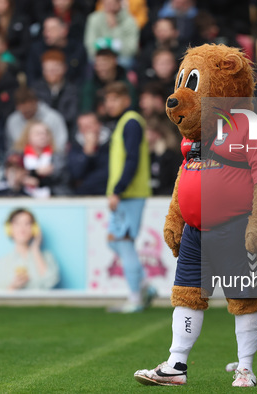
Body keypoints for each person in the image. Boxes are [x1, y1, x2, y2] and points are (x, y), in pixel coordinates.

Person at [104, 82, 154, 313]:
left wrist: (118, 190)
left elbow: (132, 159)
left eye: (114, 99)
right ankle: (145, 286)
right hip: (127, 193)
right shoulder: (126, 123)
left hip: (130, 194)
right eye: (107, 100)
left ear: (126, 99)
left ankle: (135, 297)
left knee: (123, 242)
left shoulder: (131, 122)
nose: (109, 104)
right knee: (114, 240)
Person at [0, 208, 60, 290]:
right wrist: (13, 287)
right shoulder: (1, 263)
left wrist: (35, 249)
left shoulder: (47, 257)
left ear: (34, 229)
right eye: (17, 223)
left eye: (27, 223)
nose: (22, 228)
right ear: (9, 229)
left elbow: (51, 282)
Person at [13, 120, 68, 197]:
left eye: (46, 134)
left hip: (52, 196)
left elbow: (61, 178)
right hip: (24, 196)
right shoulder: (17, 156)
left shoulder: (57, 156)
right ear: (28, 136)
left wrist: (35, 178)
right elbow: (12, 177)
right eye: (38, 134)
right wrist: (33, 173)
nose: (43, 137)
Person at [26, 16, 87, 84]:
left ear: (64, 31)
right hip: (41, 91)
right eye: (45, 29)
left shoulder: (77, 49)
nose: (46, 33)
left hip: (72, 91)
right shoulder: (36, 49)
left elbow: (83, 76)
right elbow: (31, 75)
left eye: (52, 29)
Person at [5, 87, 68, 153]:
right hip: (21, 160)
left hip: (50, 159)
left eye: (28, 111)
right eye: (23, 111)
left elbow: (61, 147)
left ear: (36, 102)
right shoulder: (12, 121)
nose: (26, 112)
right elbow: (11, 149)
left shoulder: (54, 118)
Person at [31, 49, 79, 135]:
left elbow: (71, 115)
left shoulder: (72, 89)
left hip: (66, 130)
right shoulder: (35, 89)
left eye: (55, 69)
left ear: (64, 68)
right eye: (47, 70)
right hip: (40, 131)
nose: (51, 73)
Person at [84, 0, 139, 67]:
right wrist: (109, 45)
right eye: (106, 3)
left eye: (112, 3)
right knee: (92, 60)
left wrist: (114, 28)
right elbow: (90, 45)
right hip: (99, 56)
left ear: (119, 3)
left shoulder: (130, 21)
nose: (109, 6)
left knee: (125, 61)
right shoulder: (94, 18)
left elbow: (131, 49)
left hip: (120, 58)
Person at [79, 48, 135, 114]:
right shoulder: (90, 85)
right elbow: (86, 110)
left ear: (114, 61)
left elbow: (133, 108)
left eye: (104, 63)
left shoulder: (127, 84)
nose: (101, 68)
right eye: (98, 65)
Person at [68, 112, 110, 196]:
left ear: (99, 125)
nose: (87, 130)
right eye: (83, 127)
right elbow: (75, 175)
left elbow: (109, 173)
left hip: (107, 195)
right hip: (82, 196)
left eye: (89, 125)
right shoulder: (75, 146)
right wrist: (87, 153)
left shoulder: (111, 143)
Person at [145, 115, 183, 196]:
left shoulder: (170, 156)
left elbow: (175, 181)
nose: (145, 135)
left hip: (165, 199)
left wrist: (160, 158)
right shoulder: (147, 155)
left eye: (148, 131)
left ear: (157, 134)